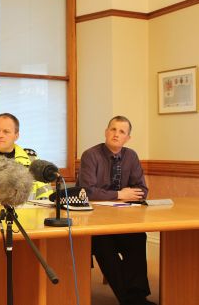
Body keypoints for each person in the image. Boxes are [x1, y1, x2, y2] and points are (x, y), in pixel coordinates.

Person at [77, 116, 155, 305]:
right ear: (106, 132)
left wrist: (128, 195)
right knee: (104, 244)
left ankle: (138, 294)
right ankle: (128, 299)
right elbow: (87, 192)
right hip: (94, 222)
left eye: (121, 132)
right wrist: (120, 194)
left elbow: (142, 190)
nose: (116, 134)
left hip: (123, 219)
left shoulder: (131, 156)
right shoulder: (91, 155)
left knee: (138, 237)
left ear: (127, 138)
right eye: (113, 129)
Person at [0, 113, 52, 204]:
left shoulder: (31, 158)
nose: (0, 135)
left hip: (31, 215)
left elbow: (45, 195)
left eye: (6, 131)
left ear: (16, 135)